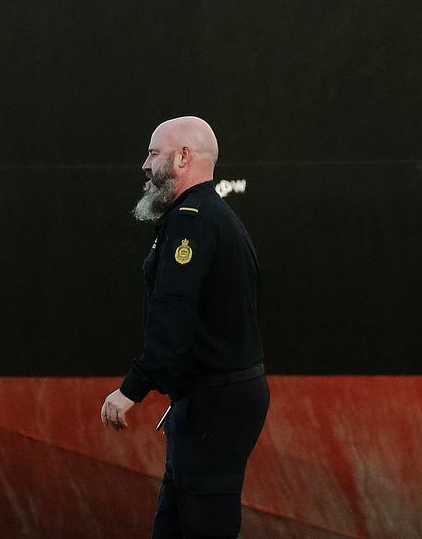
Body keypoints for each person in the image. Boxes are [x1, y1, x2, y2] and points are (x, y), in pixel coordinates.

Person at [100, 116, 269, 539]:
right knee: (173, 526)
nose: (145, 164)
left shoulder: (191, 221)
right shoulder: (213, 216)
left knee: (203, 526)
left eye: (154, 153)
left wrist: (132, 389)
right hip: (208, 400)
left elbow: (172, 314)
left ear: (182, 158)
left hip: (215, 404)